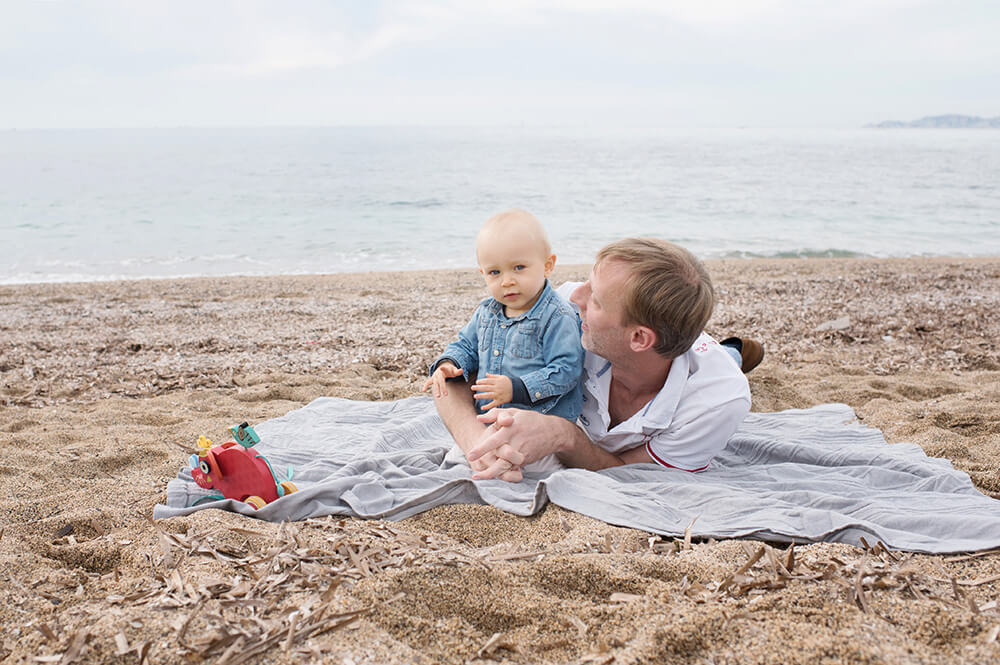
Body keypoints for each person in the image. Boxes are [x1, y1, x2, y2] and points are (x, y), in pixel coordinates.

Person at [431, 236, 763, 482]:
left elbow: (625, 472)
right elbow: (453, 374)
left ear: (638, 337)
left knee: (724, 361)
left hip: (696, 363)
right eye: (587, 282)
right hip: (661, 349)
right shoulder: (559, 313)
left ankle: (732, 351)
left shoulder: (718, 402)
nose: (576, 296)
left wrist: (564, 435)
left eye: (597, 299)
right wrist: (480, 448)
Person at [423, 209, 585, 473]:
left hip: (539, 425)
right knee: (461, 462)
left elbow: (567, 371)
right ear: (482, 273)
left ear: (547, 265)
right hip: (488, 421)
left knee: (521, 468)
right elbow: (465, 345)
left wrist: (516, 388)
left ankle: (503, 469)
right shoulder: (487, 312)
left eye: (519, 268)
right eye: (494, 272)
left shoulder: (558, 316)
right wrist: (449, 363)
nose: (507, 281)